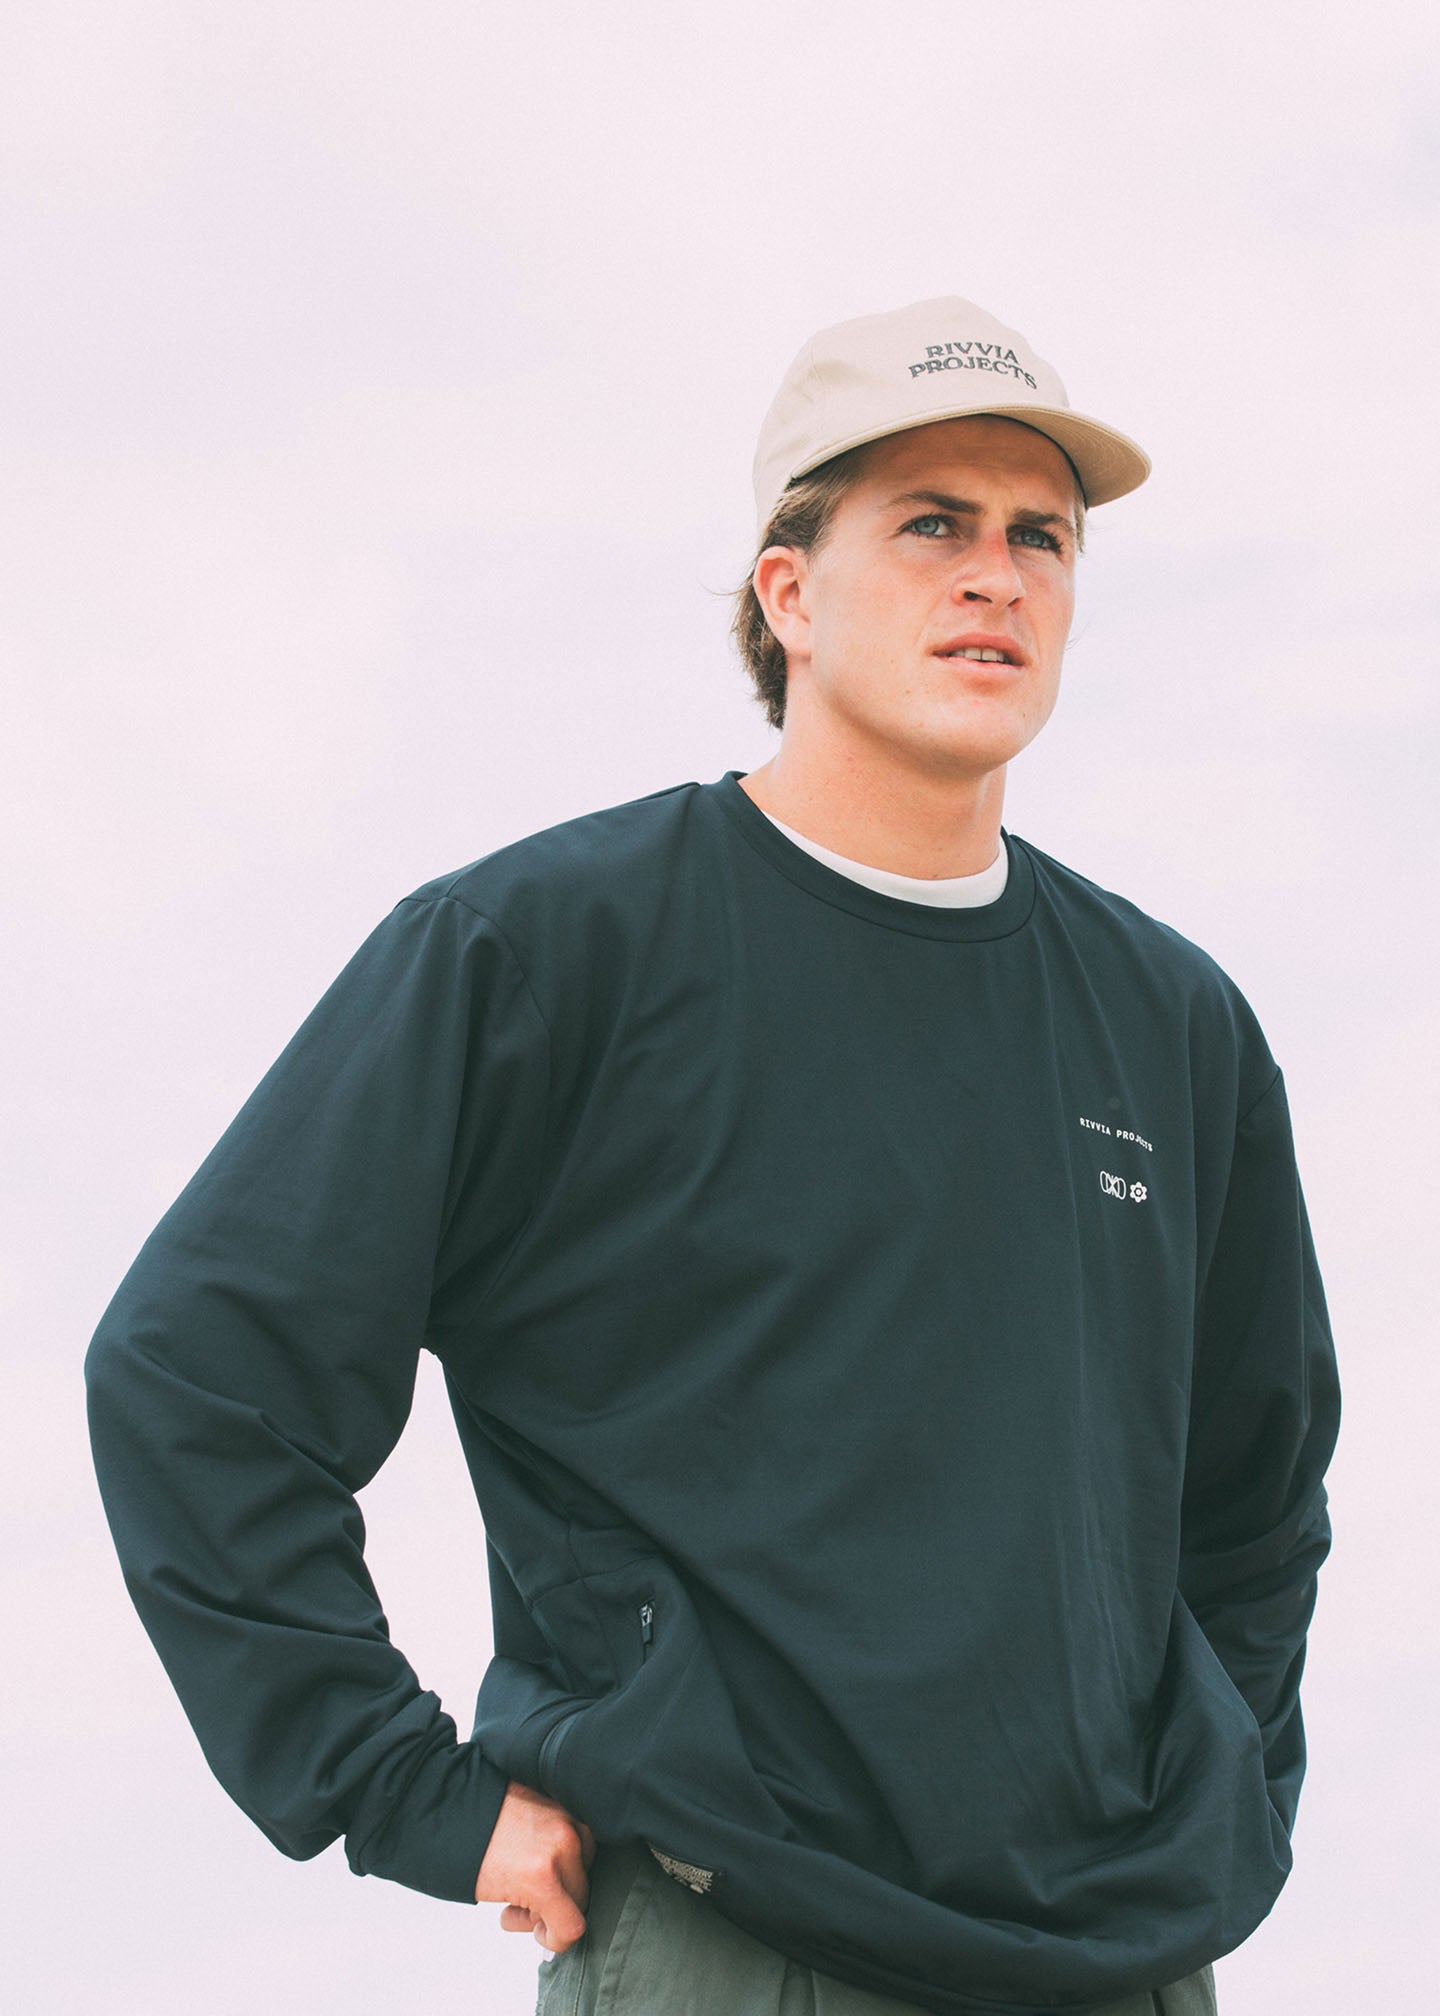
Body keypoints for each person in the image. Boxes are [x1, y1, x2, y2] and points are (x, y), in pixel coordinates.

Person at [85, 297, 1339, 2016]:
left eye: (1040, 535)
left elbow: (1257, 1501)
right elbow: (197, 1375)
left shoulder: (1173, 1024)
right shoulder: (547, 954)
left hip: (1115, 1964)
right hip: (733, 1942)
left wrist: (1219, 1818)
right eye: (933, 525)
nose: (998, 576)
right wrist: (394, 1783)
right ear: (789, 594)